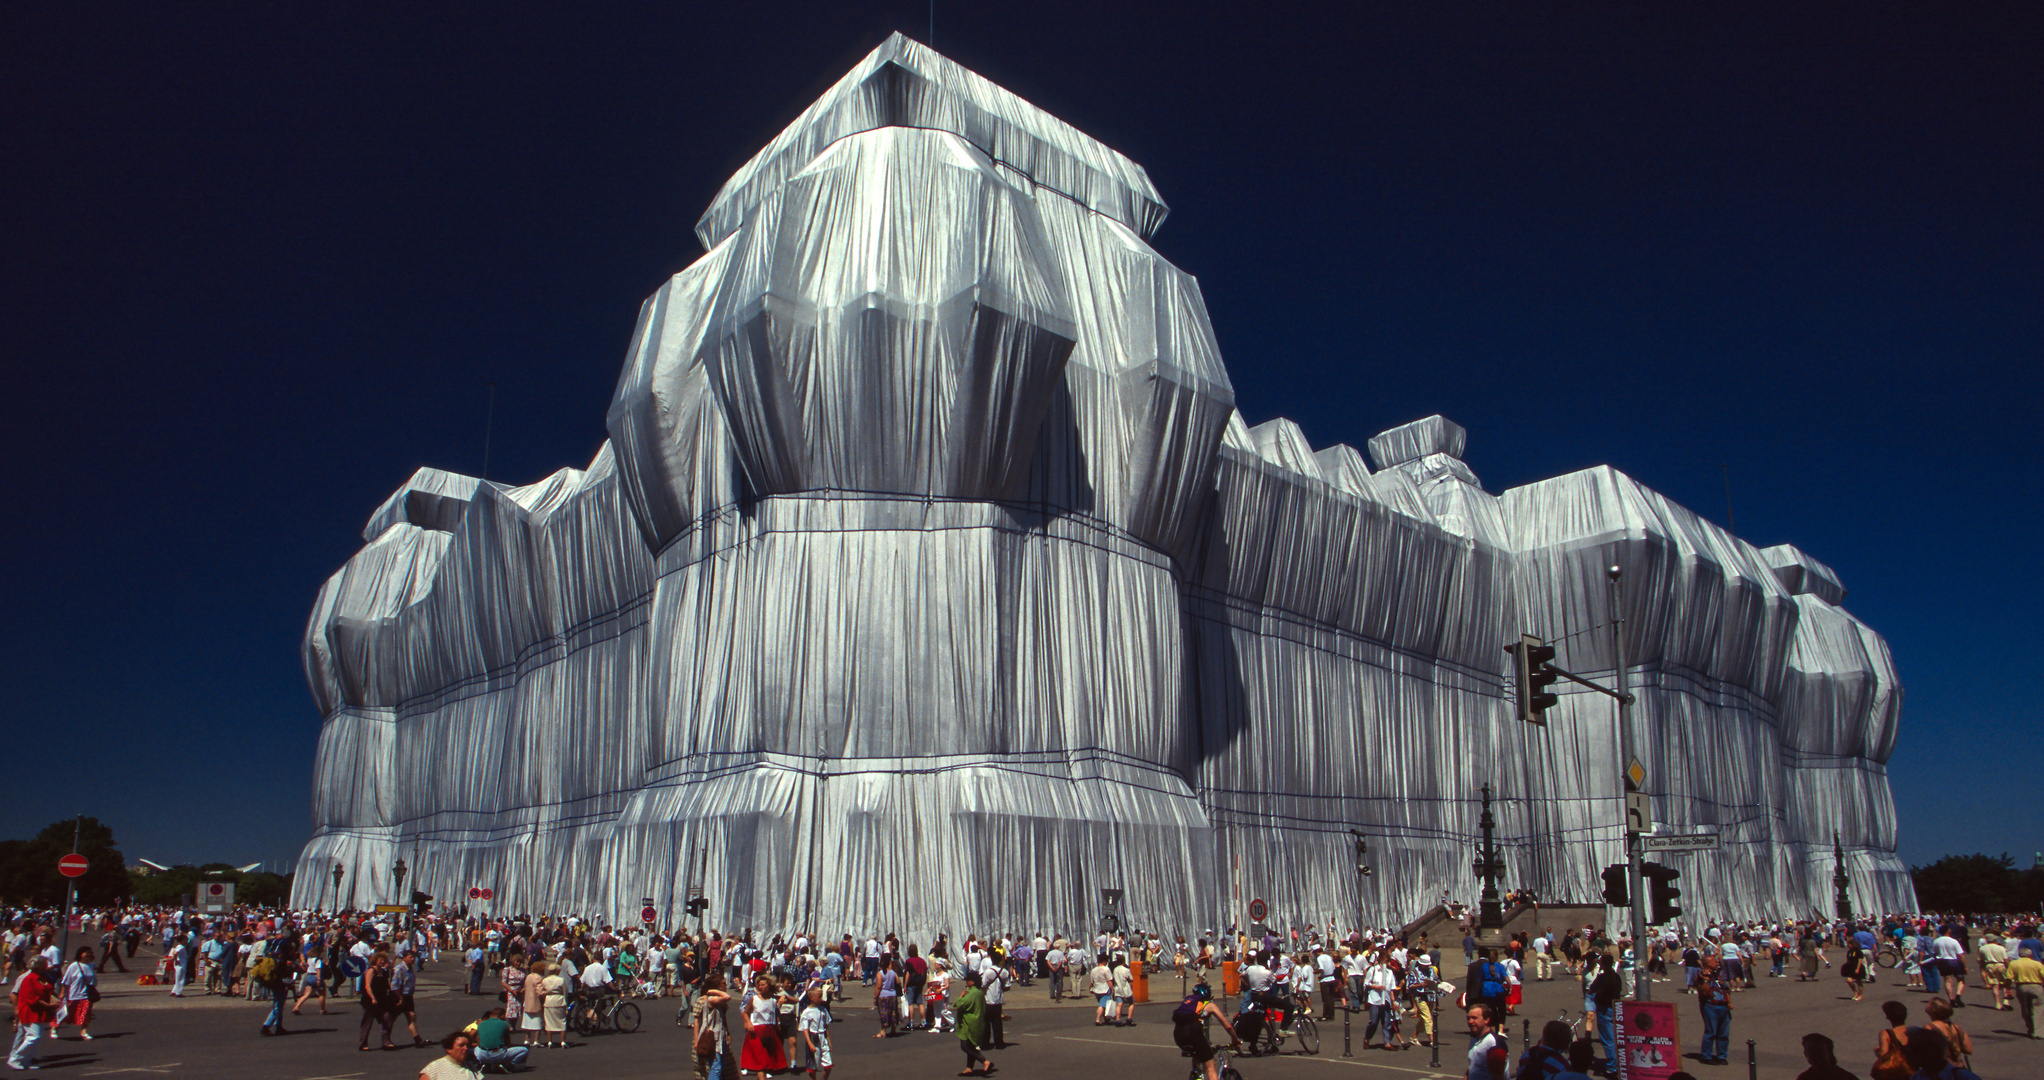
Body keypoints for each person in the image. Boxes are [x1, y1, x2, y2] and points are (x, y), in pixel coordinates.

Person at [1172, 982, 1237, 1080]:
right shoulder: (1209, 1005)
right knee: (1210, 1068)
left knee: (1198, 1052)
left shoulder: (1188, 1002)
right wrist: (1235, 1039)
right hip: (1194, 1034)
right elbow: (1227, 1026)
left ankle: (1195, 1072)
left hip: (1178, 1035)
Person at [9, 957, 58, 1071]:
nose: (47, 966)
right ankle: (15, 1058)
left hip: (40, 1012)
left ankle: (25, 1061)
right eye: (45, 964)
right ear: (38, 965)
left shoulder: (42, 978)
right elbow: (30, 998)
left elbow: (49, 990)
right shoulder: (28, 979)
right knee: (33, 1036)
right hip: (30, 1012)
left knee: (37, 1037)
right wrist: (48, 1005)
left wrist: (53, 999)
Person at [742, 974, 790, 1080]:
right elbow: (744, 1013)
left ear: (769, 986)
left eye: (763, 985)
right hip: (756, 1031)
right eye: (759, 985)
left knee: (767, 1063)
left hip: (770, 1031)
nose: (760, 987)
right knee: (760, 1064)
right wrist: (748, 1023)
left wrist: (783, 999)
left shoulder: (773, 1000)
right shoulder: (754, 999)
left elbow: (795, 1001)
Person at [692, 971, 732, 1080]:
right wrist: (696, 1040)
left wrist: (728, 1033)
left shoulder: (720, 1001)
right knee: (715, 1066)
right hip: (709, 1036)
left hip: (720, 1035)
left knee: (718, 1065)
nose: (725, 985)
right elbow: (696, 1022)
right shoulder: (709, 999)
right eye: (722, 984)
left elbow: (723, 1019)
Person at [1696, 951, 1733, 1067]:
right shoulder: (1702, 976)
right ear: (1707, 963)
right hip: (1710, 1006)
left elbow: (1726, 990)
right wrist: (1706, 979)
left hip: (1723, 1006)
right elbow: (1704, 992)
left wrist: (1729, 1002)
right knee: (1711, 1032)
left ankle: (1722, 1056)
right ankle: (1706, 1056)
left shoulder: (1718, 975)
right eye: (1713, 961)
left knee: (1723, 1034)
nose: (1716, 962)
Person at [1898, 1027, 1977, 1080]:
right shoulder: (1918, 1077)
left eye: (1912, 1051)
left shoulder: (1962, 1076)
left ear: (1927, 1054)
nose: (1908, 1056)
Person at [953, 971, 993, 1076]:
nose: (966, 981)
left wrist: (960, 996)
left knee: (965, 1046)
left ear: (973, 982)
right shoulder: (979, 992)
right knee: (971, 1045)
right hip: (977, 1022)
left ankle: (984, 1061)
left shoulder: (971, 993)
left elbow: (960, 1005)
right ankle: (969, 1067)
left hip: (968, 1023)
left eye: (968, 980)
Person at [359, 951, 398, 1051]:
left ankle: (386, 1042)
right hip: (371, 1000)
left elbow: (387, 984)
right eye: (381, 960)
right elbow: (367, 986)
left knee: (385, 1020)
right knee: (367, 1022)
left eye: (384, 960)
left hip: (382, 1000)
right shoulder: (371, 971)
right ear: (375, 960)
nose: (382, 962)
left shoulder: (384, 972)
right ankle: (363, 1043)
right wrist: (373, 998)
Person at [474, 1006, 530, 1072]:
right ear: (502, 1016)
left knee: (476, 1049)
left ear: (491, 1015)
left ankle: (482, 1063)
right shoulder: (504, 1024)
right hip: (498, 1054)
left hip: (482, 1055)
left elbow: (478, 1041)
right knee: (524, 1050)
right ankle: (509, 1065)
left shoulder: (481, 1024)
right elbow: (508, 1042)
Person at [58, 946, 96, 1041]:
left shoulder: (91, 965)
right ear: (81, 954)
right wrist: (62, 993)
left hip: (86, 994)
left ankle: (84, 1031)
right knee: (67, 1013)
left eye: (90, 953)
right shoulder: (74, 966)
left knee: (86, 1013)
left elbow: (93, 981)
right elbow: (66, 981)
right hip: (73, 994)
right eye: (87, 953)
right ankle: (55, 1027)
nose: (89, 954)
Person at [1920, 999, 1970, 1070]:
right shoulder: (1955, 1027)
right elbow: (1968, 1049)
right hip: (1958, 1069)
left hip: (1941, 1070)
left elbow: (1923, 1051)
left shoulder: (1929, 1028)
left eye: (1929, 1003)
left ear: (1933, 1010)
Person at [2006, 944, 2043, 1038]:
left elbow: (2009, 978)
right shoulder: (2037, 964)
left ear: (2019, 955)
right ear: (2030, 955)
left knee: (2025, 1008)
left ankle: (2030, 1028)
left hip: (2021, 986)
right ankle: (2038, 1032)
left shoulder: (2013, 963)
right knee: (2038, 1009)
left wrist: (2008, 988)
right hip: (2036, 986)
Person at [1465, 1003, 1508, 1080]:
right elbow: (1473, 1066)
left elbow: (1498, 1076)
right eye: (1468, 1018)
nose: (1470, 1021)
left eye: (1474, 1018)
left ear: (1486, 1020)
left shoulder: (1493, 1043)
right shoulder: (1474, 1039)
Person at [798, 985, 833, 1080]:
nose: (821, 998)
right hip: (813, 1038)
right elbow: (805, 1029)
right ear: (811, 997)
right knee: (813, 1066)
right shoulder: (807, 1012)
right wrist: (810, 1043)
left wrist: (829, 1041)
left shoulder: (823, 1010)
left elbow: (826, 1026)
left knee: (828, 1065)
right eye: (819, 996)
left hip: (823, 1038)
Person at [1871, 1001, 1911, 1080]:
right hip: (1909, 1070)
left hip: (1894, 1071)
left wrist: (1877, 1050)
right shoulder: (1911, 1032)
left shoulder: (1886, 1034)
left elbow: (1883, 1054)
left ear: (1888, 1017)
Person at [1089, 954, 1116, 1026]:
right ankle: (1098, 1020)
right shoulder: (1106, 969)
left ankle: (1106, 1018)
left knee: (1103, 1004)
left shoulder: (1093, 970)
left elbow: (1092, 981)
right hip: (1105, 989)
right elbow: (1109, 980)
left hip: (1097, 989)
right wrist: (1112, 989)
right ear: (1104, 961)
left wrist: (1090, 988)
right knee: (1102, 1005)